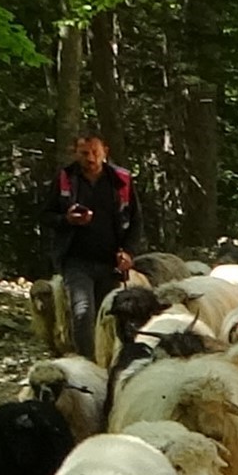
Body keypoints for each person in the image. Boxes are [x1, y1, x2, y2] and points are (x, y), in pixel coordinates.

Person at [45, 133, 136, 356]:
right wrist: (66, 220)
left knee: (108, 315)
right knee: (82, 312)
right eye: (84, 153)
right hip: (76, 260)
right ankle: (88, 363)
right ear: (75, 153)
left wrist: (129, 252)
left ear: (105, 151)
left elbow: (135, 220)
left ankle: (111, 359)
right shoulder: (65, 179)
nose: (91, 158)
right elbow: (45, 214)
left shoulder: (121, 180)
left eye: (95, 152)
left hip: (110, 261)